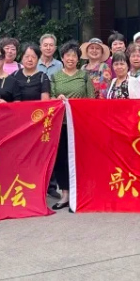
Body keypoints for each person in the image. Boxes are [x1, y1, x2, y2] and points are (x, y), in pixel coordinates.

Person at [48, 42, 92, 209]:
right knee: (61, 159)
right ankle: (65, 194)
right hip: (61, 124)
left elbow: (91, 99)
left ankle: (79, 194)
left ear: (78, 59)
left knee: (80, 158)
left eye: (74, 56)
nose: (71, 58)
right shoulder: (55, 77)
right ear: (62, 58)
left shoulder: (84, 76)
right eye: (68, 55)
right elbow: (51, 99)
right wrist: (57, 99)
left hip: (79, 124)